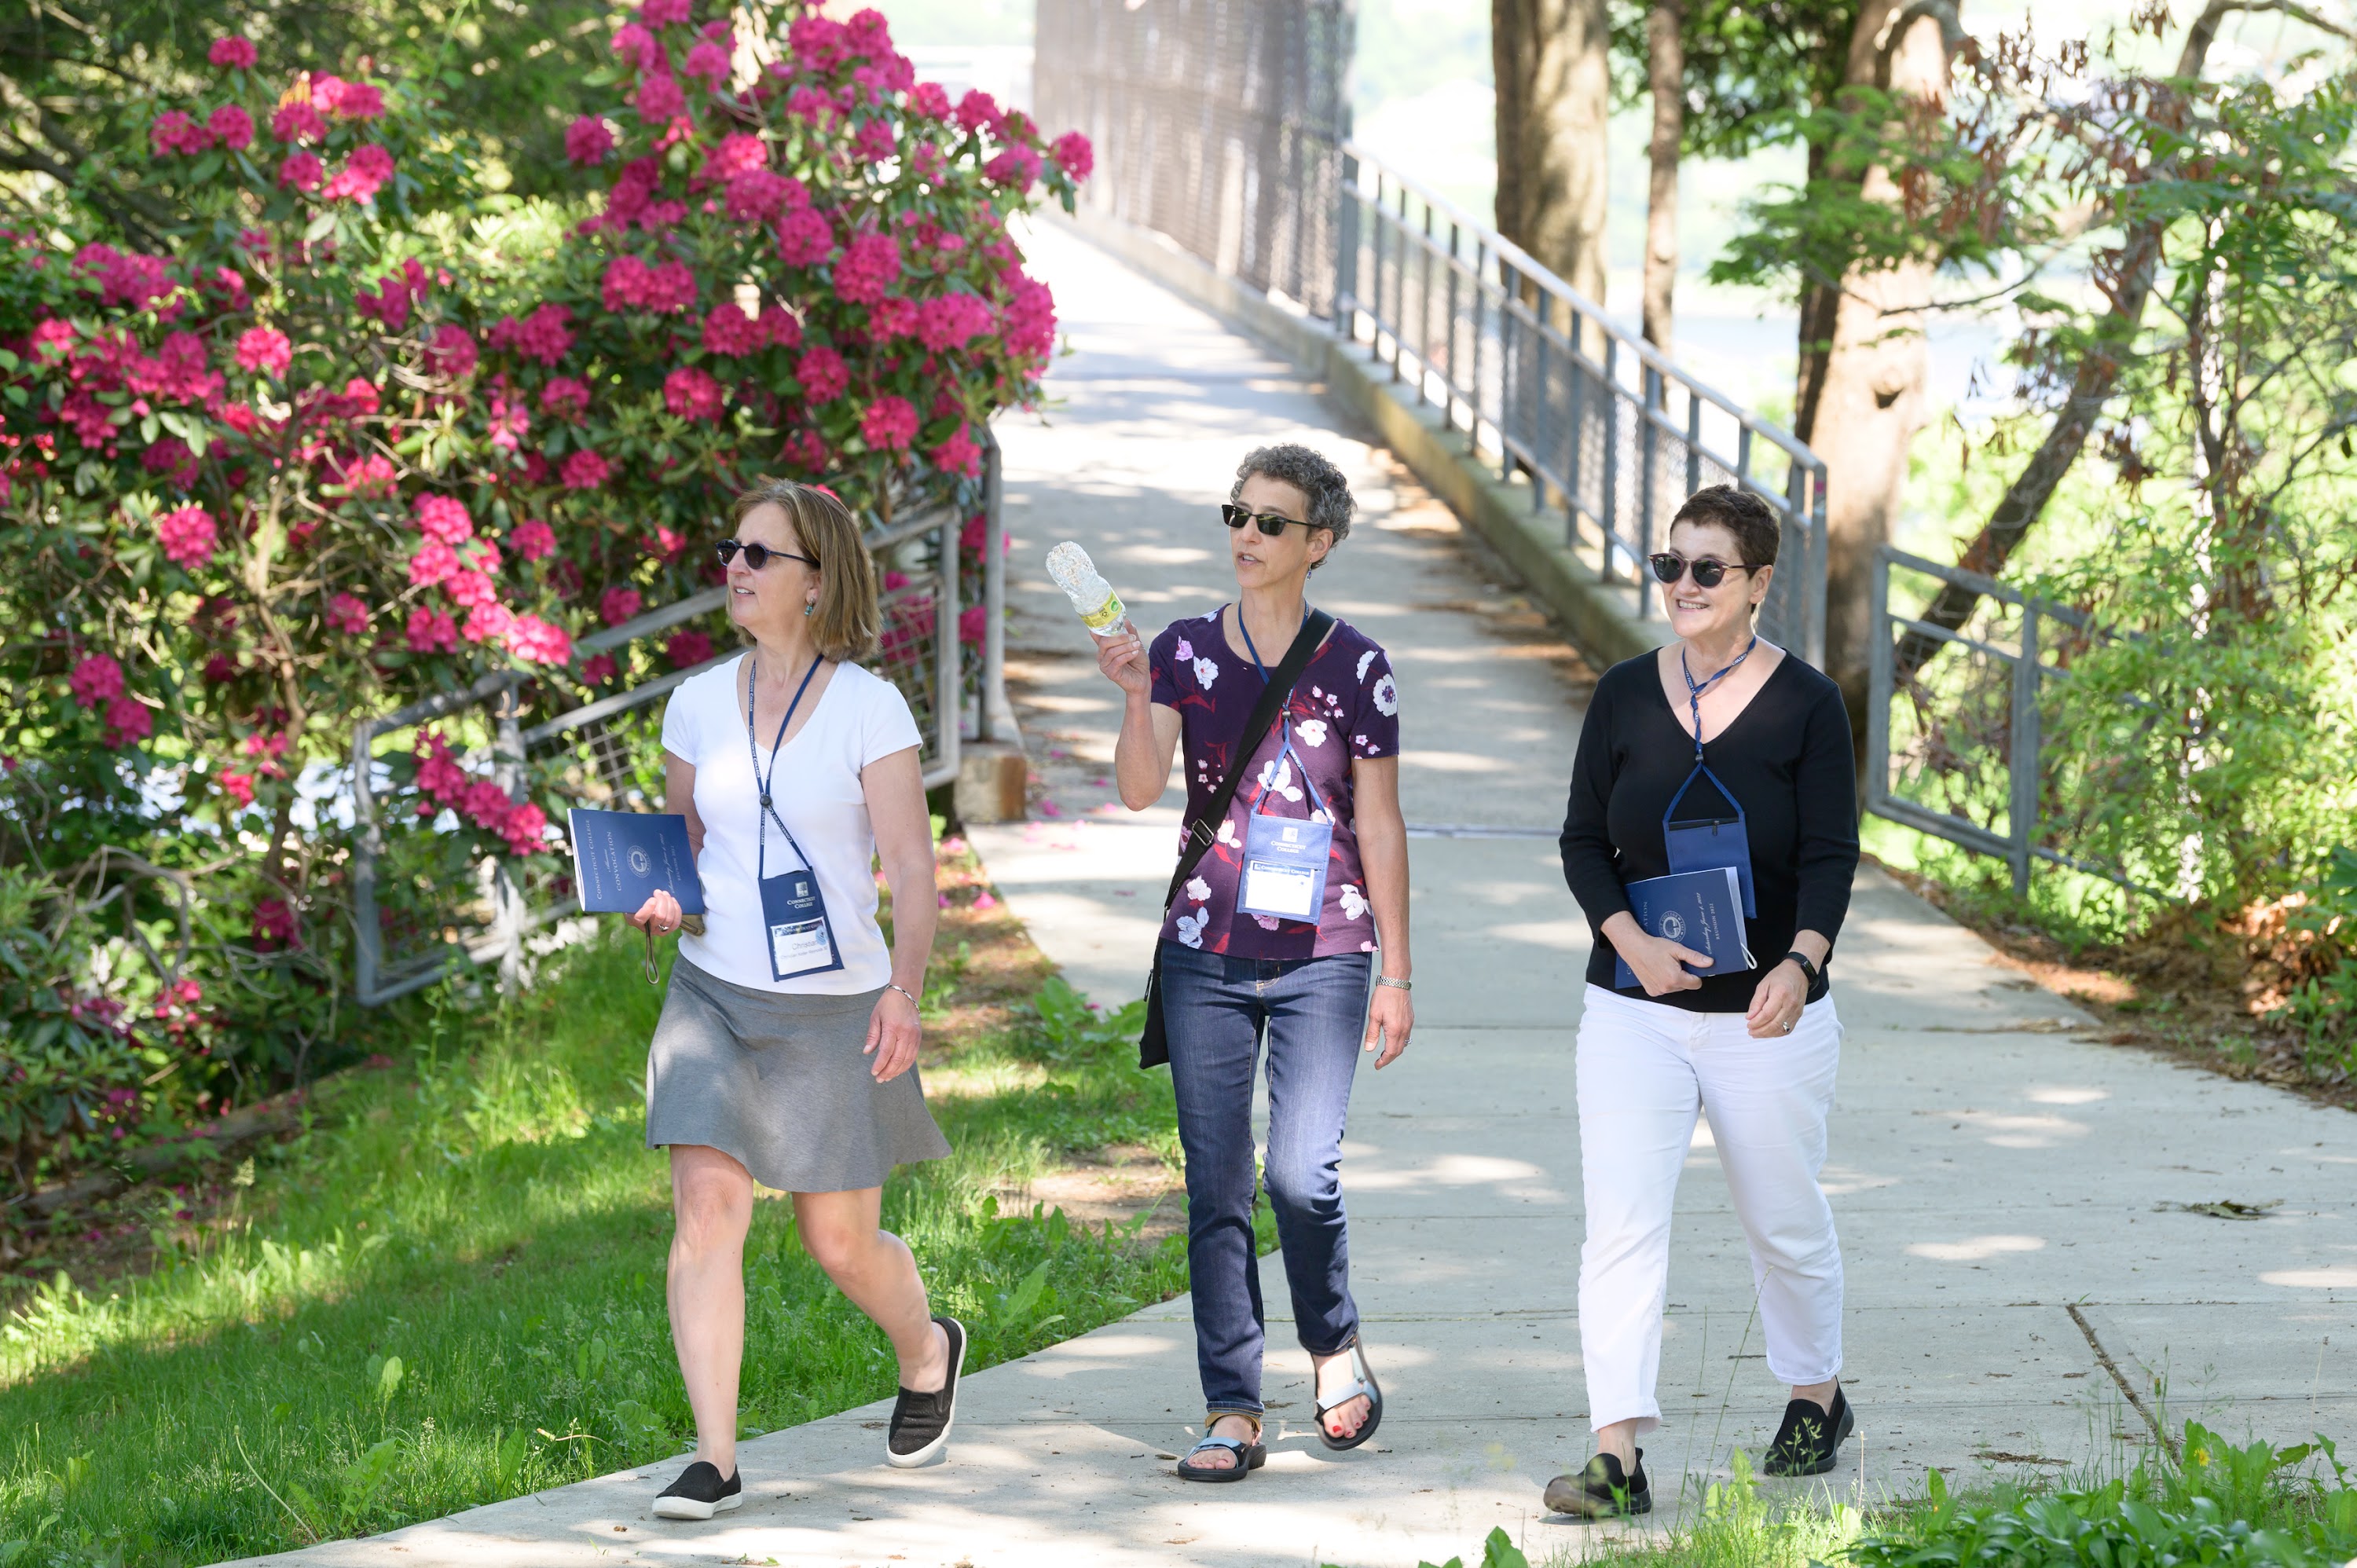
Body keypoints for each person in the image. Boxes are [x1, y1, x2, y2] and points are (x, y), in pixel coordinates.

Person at [629, 478, 959, 1519]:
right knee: (708, 1208)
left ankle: (926, 1348)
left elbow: (910, 865)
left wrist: (904, 992)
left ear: (816, 583)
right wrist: (659, 898)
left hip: (835, 1007)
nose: (736, 566)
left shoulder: (869, 707)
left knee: (839, 1245)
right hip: (714, 992)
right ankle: (715, 1459)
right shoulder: (693, 702)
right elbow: (683, 845)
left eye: (760, 555)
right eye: (733, 547)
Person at [1093, 443, 1414, 1482]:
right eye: (1238, 514)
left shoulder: (1358, 663)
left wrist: (1398, 973)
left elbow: (1381, 818)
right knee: (1218, 1182)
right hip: (1205, 951)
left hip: (1327, 948)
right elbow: (1141, 792)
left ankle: (1330, 1344)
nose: (1246, 534)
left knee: (1301, 1173)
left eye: (1272, 522)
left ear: (1318, 544)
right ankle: (1232, 1407)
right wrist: (1135, 695)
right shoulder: (1186, 649)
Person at [1545, 484, 1861, 1519]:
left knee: (1782, 1220)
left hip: (1766, 1018)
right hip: (1634, 1010)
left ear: (1759, 583)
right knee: (1622, 1228)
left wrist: (1801, 963)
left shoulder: (1808, 706)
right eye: (1668, 564)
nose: (1681, 585)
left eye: (1706, 569)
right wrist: (1627, 941)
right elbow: (1583, 840)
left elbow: (1829, 855)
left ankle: (1815, 1393)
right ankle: (1618, 1458)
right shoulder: (1626, 695)